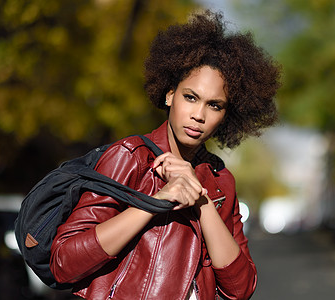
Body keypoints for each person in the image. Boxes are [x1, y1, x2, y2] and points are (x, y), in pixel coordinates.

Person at [50, 10, 281, 300]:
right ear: (170, 95)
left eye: (215, 105)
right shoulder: (130, 157)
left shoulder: (221, 181)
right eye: (191, 97)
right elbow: (64, 263)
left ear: (226, 115)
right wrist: (156, 201)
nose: (198, 115)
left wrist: (202, 201)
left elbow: (240, 289)